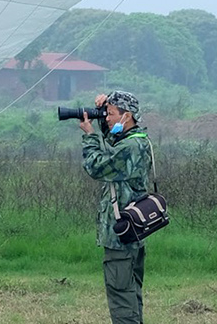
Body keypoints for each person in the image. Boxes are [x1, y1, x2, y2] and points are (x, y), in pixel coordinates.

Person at [79, 89, 153, 324]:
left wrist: (90, 136)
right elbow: (113, 145)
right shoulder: (137, 141)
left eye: (110, 114)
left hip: (120, 235)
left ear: (126, 116)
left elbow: (97, 167)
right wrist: (102, 119)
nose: (107, 118)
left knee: (121, 296)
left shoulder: (130, 149)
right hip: (134, 231)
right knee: (131, 294)